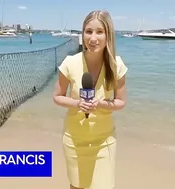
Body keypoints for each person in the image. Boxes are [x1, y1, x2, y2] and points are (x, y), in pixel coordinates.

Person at [53, 10, 128, 189]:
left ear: (108, 34)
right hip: (74, 139)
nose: (93, 38)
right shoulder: (69, 63)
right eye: (88, 31)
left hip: (104, 140)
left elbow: (120, 102)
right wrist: (78, 103)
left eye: (99, 32)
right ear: (82, 34)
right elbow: (57, 97)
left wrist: (100, 104)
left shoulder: (116, 65)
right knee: (77, 186)